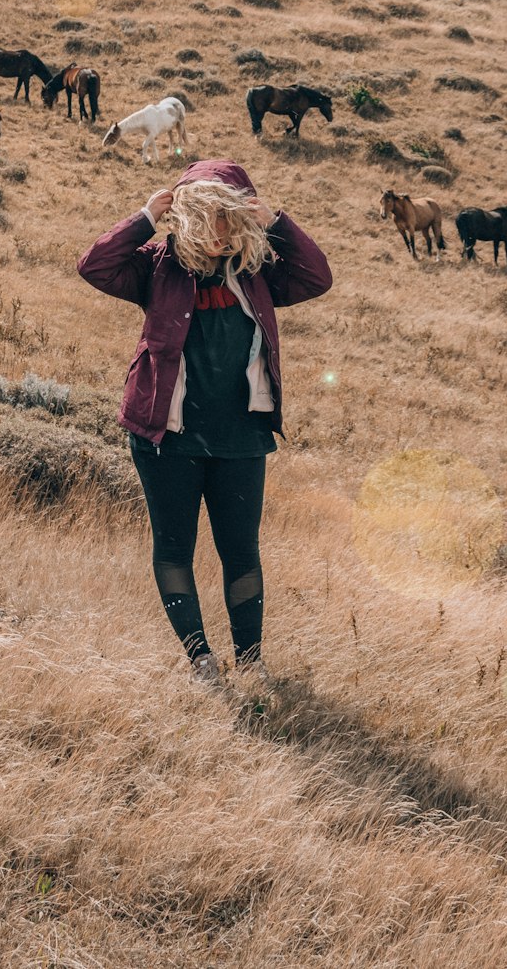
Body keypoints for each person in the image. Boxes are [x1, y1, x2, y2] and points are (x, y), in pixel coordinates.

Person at [77, 158, 332, 684]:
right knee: (174, 548)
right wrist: (145, 218)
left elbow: (317, 276)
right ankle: (200, 659)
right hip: (164, 437)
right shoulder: (156, 265)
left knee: (241, 551)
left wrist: (276, 222)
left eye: (229, 219)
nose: (219, 233)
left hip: (241, 438)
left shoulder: (259, 274)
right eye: (208, 218)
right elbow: (95, 266)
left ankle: (251, 662)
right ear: (187, 217)